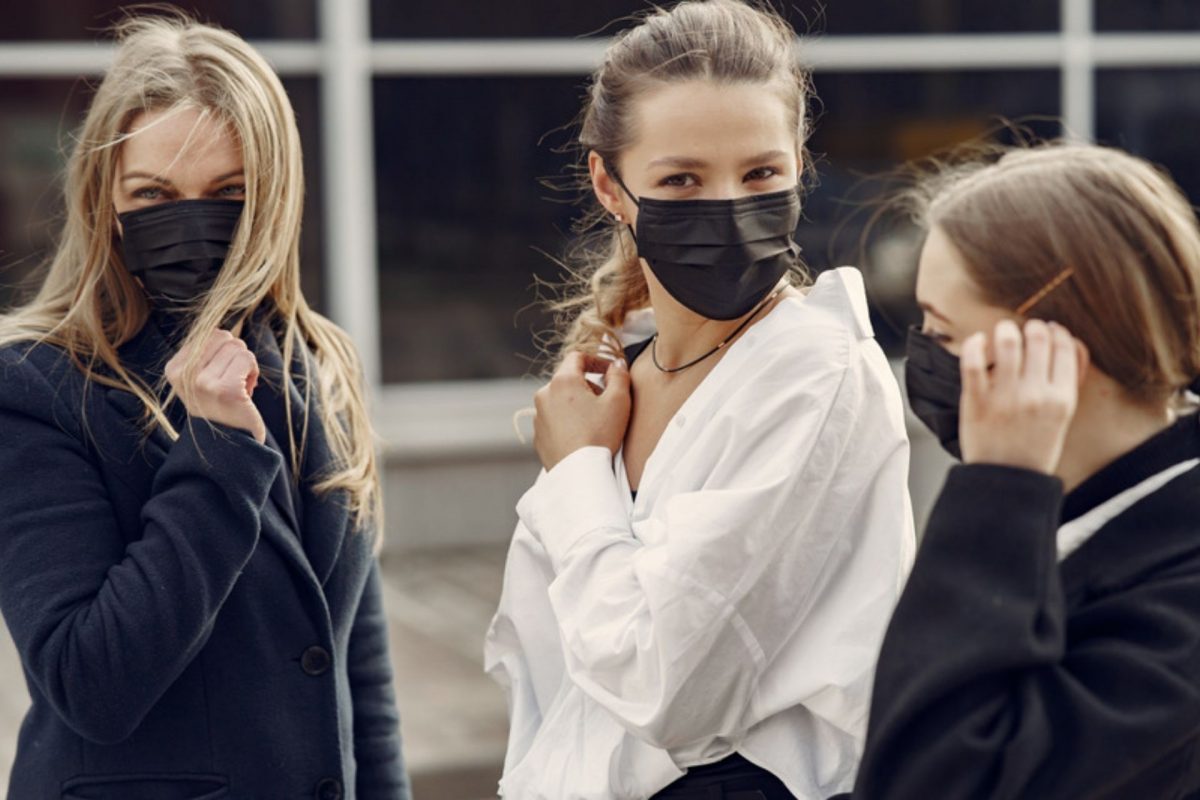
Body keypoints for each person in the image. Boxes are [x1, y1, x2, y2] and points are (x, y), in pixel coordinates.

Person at [484, 2, 915, 797]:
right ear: (611, 187)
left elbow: (667, 690)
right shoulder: (614, 386)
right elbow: (548, 681)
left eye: (760, 174)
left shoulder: (813, 375)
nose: (727, 207)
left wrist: (579, 473)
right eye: (681, 179)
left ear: (798, 166)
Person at [0, 14, 409, 799]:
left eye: (229, 194)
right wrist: (217, 454)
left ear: (275, 198)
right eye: (153, 194)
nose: (191, 224)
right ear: (104, 204)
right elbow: (90, 683)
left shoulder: (316, 361)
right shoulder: (38, 385)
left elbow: (358, 662)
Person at [839, 142, 1200, 799]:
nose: (922, 355)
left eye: (944, 334)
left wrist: (999, 485)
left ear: (1059, 343)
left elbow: (933, 781)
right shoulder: (1076, 512)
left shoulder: (1180, 588)